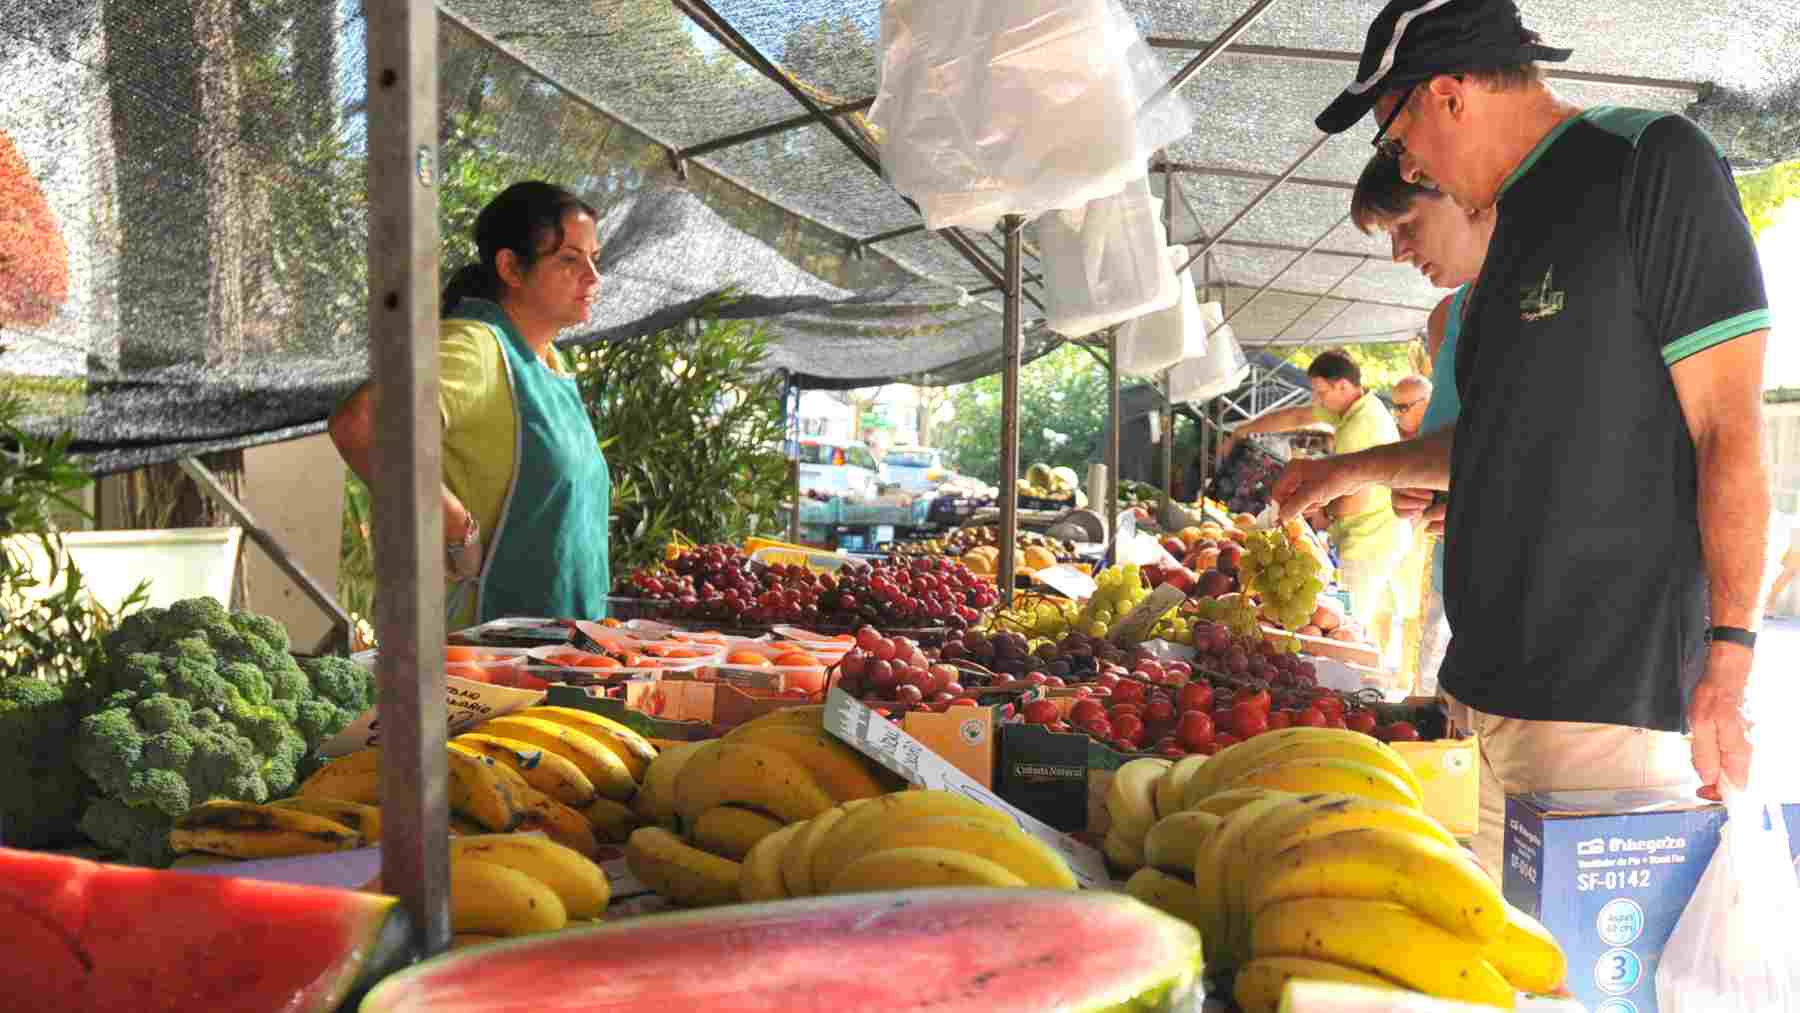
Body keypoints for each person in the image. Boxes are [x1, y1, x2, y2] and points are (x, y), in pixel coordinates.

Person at [1290, 0, 1771, 876]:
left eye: (1396, 141)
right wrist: (1353, 472)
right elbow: (1496, 436)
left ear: (1447, 95)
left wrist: (1730, 658)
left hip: (1599, 699)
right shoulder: (1507, 231)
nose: (1408, 164)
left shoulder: (1650, 165)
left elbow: (1728, 428)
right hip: (1481, 688)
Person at [329, 181, 612, 629]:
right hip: (487, 666)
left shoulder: (550, 363)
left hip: (562, 653)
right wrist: (456, 524)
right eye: (569, 260)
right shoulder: (475, 346)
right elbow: (363, 423)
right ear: (511, 268)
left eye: (594, 259)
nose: (593, 277)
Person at [1351, 152, 1498, 694]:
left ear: (1467, 194)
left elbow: (1517, 449)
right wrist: (1426, 489)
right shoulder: (1446, 319)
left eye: (1407, 226)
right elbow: (1466, 449)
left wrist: (1351, 472)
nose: (1398, 253)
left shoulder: (1551, 308)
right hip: (1454, 581)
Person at [1219, 350, 1409, 662]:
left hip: (1370, 539)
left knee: (1346, 625)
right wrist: (1243, 429)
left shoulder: (1360, 426)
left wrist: (1319, 514)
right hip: (1382, 531)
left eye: (1321, 392)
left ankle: (1352, 686)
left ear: (1343, 386)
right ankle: (1379, 672)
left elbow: (1356, 498)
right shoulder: (1352, 409)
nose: (1318, 401)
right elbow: (1296, 416)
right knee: (1375, 616)